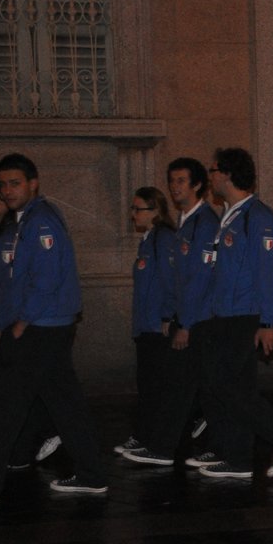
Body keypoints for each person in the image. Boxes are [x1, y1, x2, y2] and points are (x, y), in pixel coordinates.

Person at [0, 154, 109, 502]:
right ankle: (92, 474)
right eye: (3, 184)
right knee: (65, 405)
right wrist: (3, 321)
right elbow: (12, 282)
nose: (7, 190)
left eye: (14, 183)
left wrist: (21, 322)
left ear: (33, 183)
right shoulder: (26, 220)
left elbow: (43, 279)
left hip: (41, 329)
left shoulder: (39, 221)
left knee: (5, 408)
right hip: (46, 327)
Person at [192, 147, 273, 479]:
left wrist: (269, 322)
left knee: (228, 387)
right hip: (224, 314)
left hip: (245, 315)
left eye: (213, 171)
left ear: (227, 174)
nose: (209, 177)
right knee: (232, 387)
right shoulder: (230, 215)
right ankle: (238, 457)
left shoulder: (257, 216)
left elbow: (266, 272)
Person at [123, 157, 217, 466]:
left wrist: (175, 319)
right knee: (182, 388)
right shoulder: (180, 227)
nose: (175, 187)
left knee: (183, 388)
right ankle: (165, 442)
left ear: (198, 184)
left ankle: (168, 443)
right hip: (174, 320)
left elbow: (187, 280)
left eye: (181, 181)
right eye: (172, 181)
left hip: (189, 321)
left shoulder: (192, 227)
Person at [0, 170, 61, 469]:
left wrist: (8, 323)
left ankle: (2, 458)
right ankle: (13, 444)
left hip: (23, 323)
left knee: (18, 394)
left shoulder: (25, 228)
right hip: (7, 319)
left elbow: (25, 282)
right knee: (26, 391)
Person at [117, 187, 178, 454]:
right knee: (148, 385)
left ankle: (152, 438)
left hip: (156, 326)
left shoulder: (162, 239)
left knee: (155, 387)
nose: (133, 215)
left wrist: (167, 315)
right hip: (145, 325)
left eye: (138, 209)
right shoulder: (148, 239)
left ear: (155, 211)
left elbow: (170, 280)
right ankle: (144, 435)